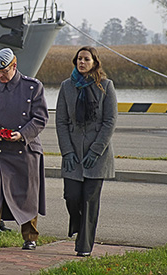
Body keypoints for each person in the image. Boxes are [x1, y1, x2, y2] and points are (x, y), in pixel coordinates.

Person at [0, 48, 48, 250]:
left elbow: (40, 118)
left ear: (14, 66)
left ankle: (30, 237)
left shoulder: (33, 87)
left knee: (27, 193)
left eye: (3, 72)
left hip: (24, 148)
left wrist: (22, 134)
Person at [55, 46, 118, 257]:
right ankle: (78, 225)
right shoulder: (66, 86)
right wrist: (67, 152)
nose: (82, 62)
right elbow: (61, 122)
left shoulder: (106, 87)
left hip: (96, 156)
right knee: (71, 197)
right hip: (73, 154)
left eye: (86, 59)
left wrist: (96, 151)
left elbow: (110, 122)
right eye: (79, 59)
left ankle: (84, 246)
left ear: (94, 63)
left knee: (90, 201)